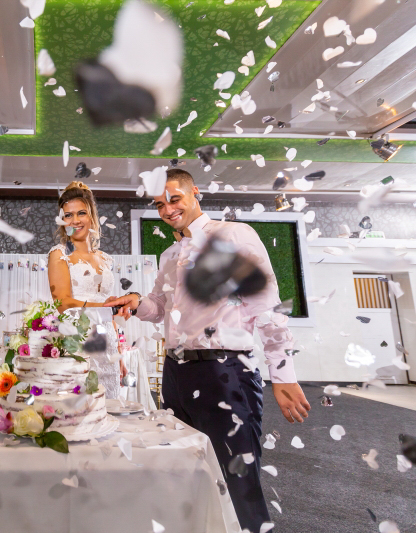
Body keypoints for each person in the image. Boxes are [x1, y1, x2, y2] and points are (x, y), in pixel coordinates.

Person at [105, 169, 310, 533]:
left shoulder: (233, 236)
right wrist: (136, 303)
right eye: (159, 204)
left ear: (195, 192)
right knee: (186, 471)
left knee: (237, 479)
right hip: (175, 373)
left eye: (174, 199)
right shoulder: (170, 254)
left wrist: (283, 375)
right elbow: (159, 307)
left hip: (225, 372)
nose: (167, 210)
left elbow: (266, 309)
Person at [47, 181, 128, 400]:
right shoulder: (59, 254)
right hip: (77, 339)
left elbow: (110, 314)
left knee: (110, 403)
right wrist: (107, 306)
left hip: (107, 342)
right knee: (79, 404)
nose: (75, 220)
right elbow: (62, 302)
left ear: (91, 216)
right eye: (68, 215)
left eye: (81, 213)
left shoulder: (104, 258)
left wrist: (119, 353)